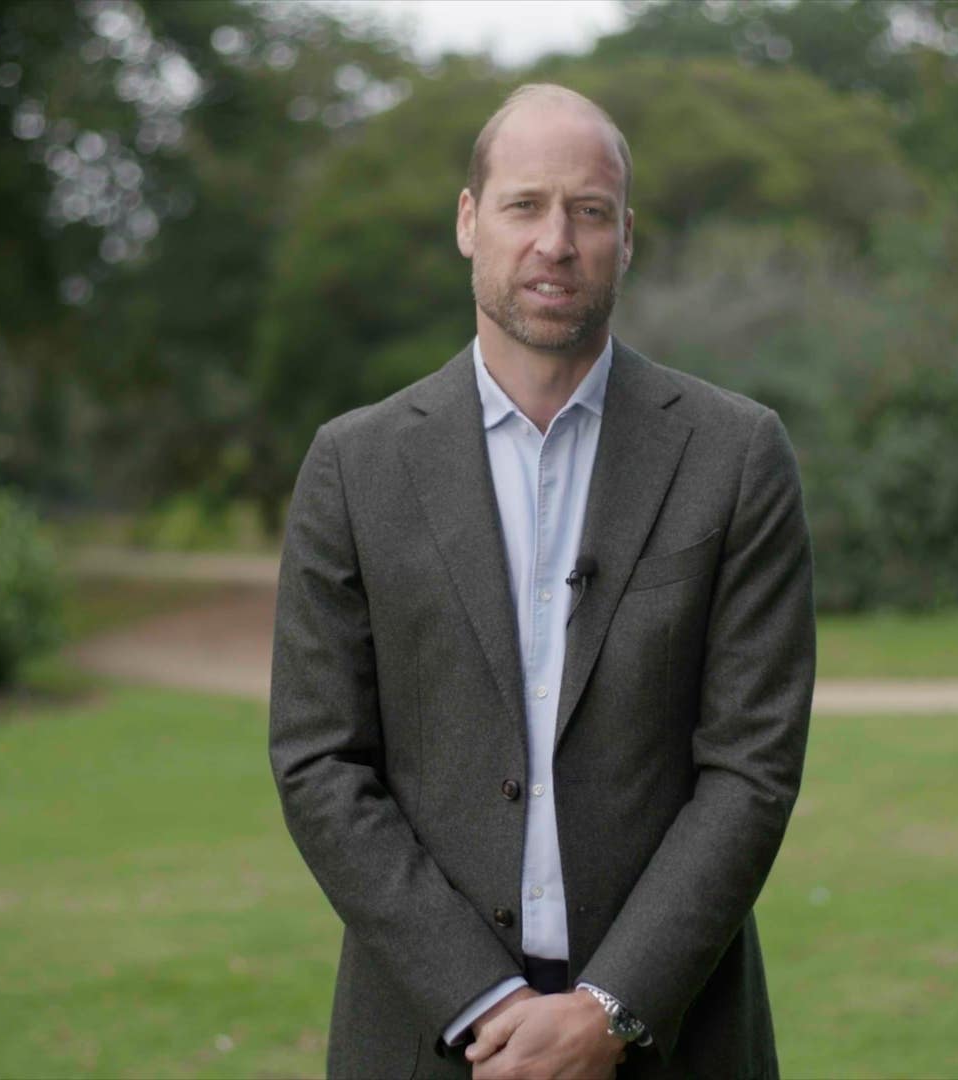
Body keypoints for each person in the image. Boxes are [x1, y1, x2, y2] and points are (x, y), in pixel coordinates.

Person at [269, 83, 815, 1078]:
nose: (555, 241)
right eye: (525, 205)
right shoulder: (355, 466)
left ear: (627, 235)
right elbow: (319, 762)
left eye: (589, 211)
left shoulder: (736, 455)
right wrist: (482, 999)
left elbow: (752, 765)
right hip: (428, 1037)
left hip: (676, 1030)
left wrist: (611, 1008)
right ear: (470, 223)